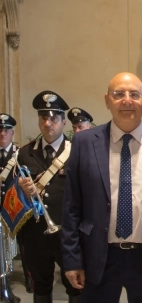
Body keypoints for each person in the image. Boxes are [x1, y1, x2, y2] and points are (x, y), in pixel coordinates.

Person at [61, 72, 142, 303]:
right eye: (118, 94)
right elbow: (72, 207)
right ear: (107, 100)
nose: (127, 100)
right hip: (98, 255)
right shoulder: (84, 143)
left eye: (134, 94)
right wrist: (72, 260)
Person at [17, 91, 81, 303]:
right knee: (40, 286)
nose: (48, 123)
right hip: (35, 234)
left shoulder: (77, 152)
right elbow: (14, 197)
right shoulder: (25, 153)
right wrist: (23, 192)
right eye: (43, 118)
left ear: (64, 122)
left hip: (68, 233)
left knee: (75, 286)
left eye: (54, 118)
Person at [0, 113, 23, 301]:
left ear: (12, 132)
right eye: (0, 130)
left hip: (11, 209)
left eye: (6, 130)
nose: (2, 133)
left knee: (11, 249)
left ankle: (26, 277)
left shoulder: (19, 154)